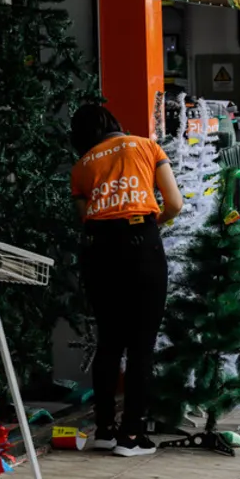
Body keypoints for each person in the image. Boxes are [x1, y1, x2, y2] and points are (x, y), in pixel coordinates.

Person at [69, 104, 183, 457]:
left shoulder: (82, 165)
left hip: (99, 252)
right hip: (140, 245)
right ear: (114, 124)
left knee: (109, 342)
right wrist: (150, 227)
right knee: (141, 345)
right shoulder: (147, 146)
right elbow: (175, 204)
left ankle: (104, 430)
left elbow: (86, 218)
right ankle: (132, 436)